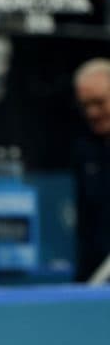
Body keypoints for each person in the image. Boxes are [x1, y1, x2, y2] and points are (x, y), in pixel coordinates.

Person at [71, 58, 110, 282]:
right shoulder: (84, 150)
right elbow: (86, 225)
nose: (92, 113)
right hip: (95, 281)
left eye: (99, 102)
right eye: (85, 105)